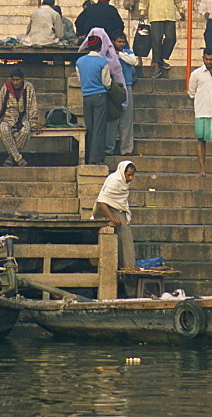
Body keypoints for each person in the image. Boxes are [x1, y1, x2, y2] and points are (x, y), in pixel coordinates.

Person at [139, 0, 184, 77]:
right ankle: (157, 67)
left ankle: (161, 59)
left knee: (171, 38)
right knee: (156, 41)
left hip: (169, 14)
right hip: (156, 14)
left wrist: (181, 10)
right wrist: (142, 11)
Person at [76, 33, 114, 164]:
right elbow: (107, 82)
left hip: (86, 96)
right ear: (100, 47)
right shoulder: (102, 62)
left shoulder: (80, 61)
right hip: (99, 95)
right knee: (99, 127)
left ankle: (87, 156)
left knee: (90, 127)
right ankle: (96, 158)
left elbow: (80, 79)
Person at [0, 67, 39, 167]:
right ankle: (18, 158)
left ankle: (11, 157)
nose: (15, 82)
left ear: (23, 78)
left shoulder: (29, 87)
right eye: (13, 80)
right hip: (7, 117)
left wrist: (33, 122)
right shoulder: (6, 87)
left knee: (26, 131)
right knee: (4, 130)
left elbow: (33, 105)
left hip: (23, 117)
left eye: (18, 80)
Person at [93, 161, 137, 267]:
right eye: (129, 175)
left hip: (119, 211)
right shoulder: (115, 181)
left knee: (126, 244)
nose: (130, 178)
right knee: (127, 245)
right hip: (109, 212)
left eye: (132, 175)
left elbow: (120, 200)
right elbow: (102, 201)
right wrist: (113, 218)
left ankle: (127, 268)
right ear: (123, 173)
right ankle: (128, 268)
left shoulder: (123, 182)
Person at [105, 33, 138, 157]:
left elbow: (133, 61)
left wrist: (118, 54)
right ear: (113, 42)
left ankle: (126, 149)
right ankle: (109, 148)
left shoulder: (128, 53)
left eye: (123, 42)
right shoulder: (107, 54)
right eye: (118, 41)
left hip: (126, 86)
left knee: (127, 119)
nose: (121, 44)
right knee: (111, 119)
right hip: (112, 87)